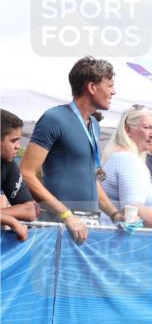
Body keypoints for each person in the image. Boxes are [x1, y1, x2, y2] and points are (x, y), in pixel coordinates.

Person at [18, 56, 124, 244]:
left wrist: (115, 214)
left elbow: (90, 179)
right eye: (110, 86)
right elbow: (26, 173)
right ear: (92, 87)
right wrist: (66, 214)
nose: (114, 92)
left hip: (88, 223)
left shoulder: (94, 124)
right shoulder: (54, 118)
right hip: (60, 223)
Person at [1, 109, 38, 232]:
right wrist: (10, 220)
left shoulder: (8, 165)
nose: (18, 146)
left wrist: (2, 216)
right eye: (13, 141)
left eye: (19, 140)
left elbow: (30, 210)